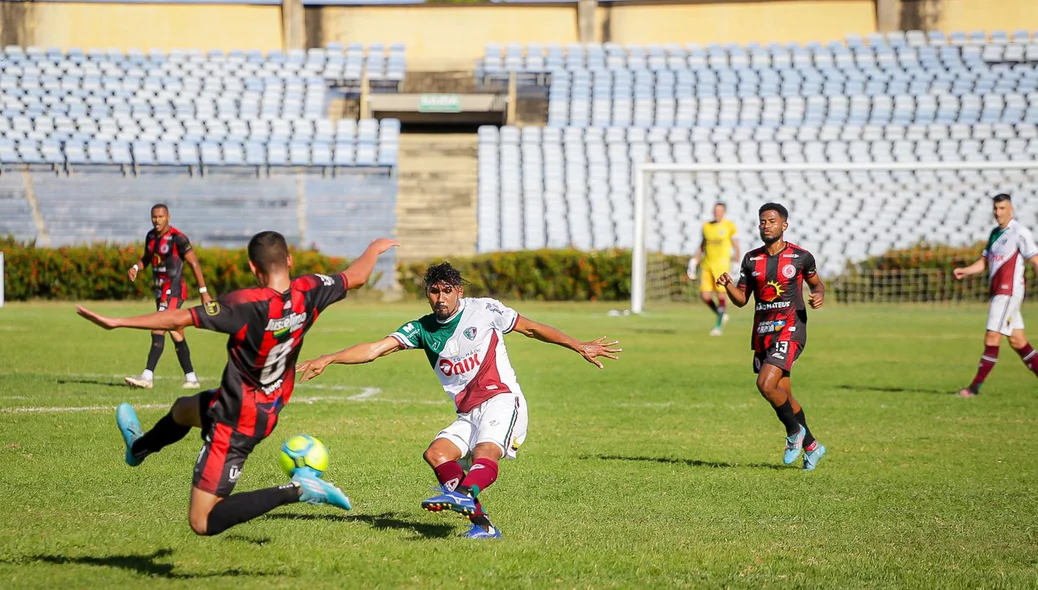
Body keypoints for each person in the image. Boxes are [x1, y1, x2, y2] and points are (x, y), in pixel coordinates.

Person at [77, 232, 399, 536]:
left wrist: (117, 322)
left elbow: (178, 318)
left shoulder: (245, 303)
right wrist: (374, 248)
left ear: (252, 267)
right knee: (183, 409)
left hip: (237, 418)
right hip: (267, 402)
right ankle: (138, 449)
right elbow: (355, 277)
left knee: (202, 521)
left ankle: (299, 489)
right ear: (288, 260)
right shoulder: (309, 289)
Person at [295, 262, 621, 539]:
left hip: (503, 400)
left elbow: (532, 329)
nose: (441, 298)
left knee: (484, 451)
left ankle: (463, 493)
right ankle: (483, 525)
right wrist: (331, 357)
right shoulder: (421, 329)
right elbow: (375, 349)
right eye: (434, 291)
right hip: (468, 412)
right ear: (427, 294)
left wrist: (579, 345)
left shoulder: (485, 310)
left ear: (459, 291)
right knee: (436, 454)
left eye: (447, 290)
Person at [716, 203, 827, 471]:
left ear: (784, 225)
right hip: (763, 332)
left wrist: (819, 295)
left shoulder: (801, 257)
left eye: (772, 221)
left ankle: (794, 434)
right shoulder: (752, 260)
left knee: (765, 385)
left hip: (790, 329)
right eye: (762, 221)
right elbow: (742, 300)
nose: (766, 225)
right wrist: (729, 285)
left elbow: (817, 284)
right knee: (782, 394)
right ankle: (812, 446)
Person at [954, 194, 1038, 397]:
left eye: (1002, 208)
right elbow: (984, 262)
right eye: (995, 208)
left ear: (1011, 209)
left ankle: (974, 388)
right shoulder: (994, 233)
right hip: (998, 292)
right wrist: (965, 270)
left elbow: (1035, 260)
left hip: (1007, 293)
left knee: (992, 337)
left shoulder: (1020, 233)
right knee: (1018, 341)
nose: (998, 212)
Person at [125, 204, 211, 390]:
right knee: (176, 332)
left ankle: (147, 376)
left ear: (168, 217)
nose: (157, 220)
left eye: (160, 216)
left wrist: (204, 292)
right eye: (154, 217)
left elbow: (194, 263)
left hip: (174, 290)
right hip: (160, 291)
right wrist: (136, 267)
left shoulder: (178, 238)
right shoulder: (150, 236)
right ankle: (192, 378)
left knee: (158, 326)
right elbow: (147, 258)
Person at [688, 202, 740, 336]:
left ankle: (718, 326)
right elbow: (702, 244)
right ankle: (721, 314)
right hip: (707, 265)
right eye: (715, 211)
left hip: (722, 266)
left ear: (724, 212)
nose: (717, 213)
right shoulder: (707, 226)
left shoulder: (729, 226)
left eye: (720, 211)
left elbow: (736, 246)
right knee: (705, 296)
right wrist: (694, 260)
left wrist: (736, 263)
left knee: (721, 295)